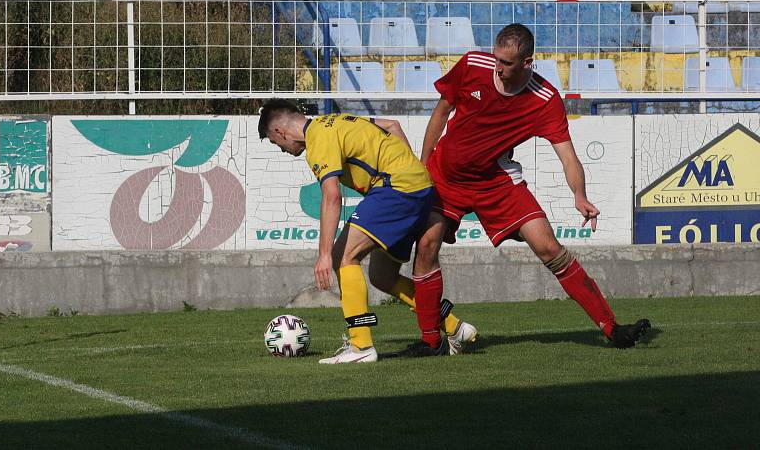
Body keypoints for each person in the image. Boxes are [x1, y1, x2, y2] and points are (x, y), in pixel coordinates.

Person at [412, 23, 650, 349]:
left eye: (507, 63)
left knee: (549, 247)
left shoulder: (544, 100)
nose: (498, 67)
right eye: (496, 58)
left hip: (496, 182)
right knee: (426, 247)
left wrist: (579, 195)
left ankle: (612, 329)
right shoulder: (471, 66)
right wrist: (422, 166)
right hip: (445, 176)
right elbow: (441, 113)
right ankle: (430, 342)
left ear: (527, 62)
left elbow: (568, 156)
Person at [257, 100, 477, 363]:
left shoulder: (317, 139)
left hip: (395, 188)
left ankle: (361, 347)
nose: (281, 150)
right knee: (382, 276)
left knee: (342, 257)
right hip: (417, 185)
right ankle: (455, 327)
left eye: (275, 143)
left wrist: (325, 254)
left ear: (280, 131)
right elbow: (392, 125)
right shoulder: (337, 120)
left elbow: (332, 197)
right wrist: (408, 167)